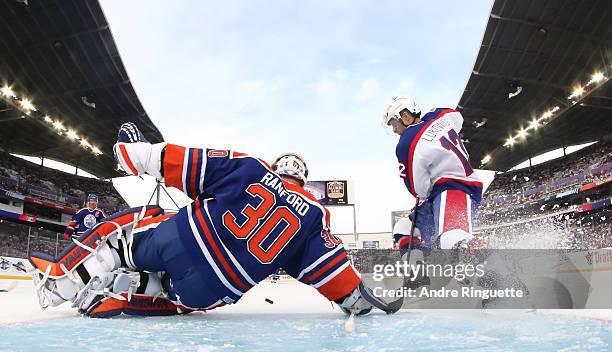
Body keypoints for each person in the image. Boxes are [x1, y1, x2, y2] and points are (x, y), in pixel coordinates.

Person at [29, 123, 375, 318]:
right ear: (303, 177)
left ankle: (66, 282)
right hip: (213, 290)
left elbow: (187, 162)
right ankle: (129, 293)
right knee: (175, 294)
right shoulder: (316, 215)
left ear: (277, 166)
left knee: (126, 239)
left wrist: (137, 153)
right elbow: (331, 271)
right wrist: (353, 299)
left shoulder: (252, 168)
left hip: (177, 242)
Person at [382, 96, 482, 251]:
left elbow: (418, 189)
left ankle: (496, 270)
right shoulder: (439, 115)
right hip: (446, 190)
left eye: (394, 124)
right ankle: (419, 270)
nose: (394, 130)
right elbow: (457, 118)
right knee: (404, 228)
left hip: (454, 187)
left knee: (451, 238)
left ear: (406, 117)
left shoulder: (407, 142)